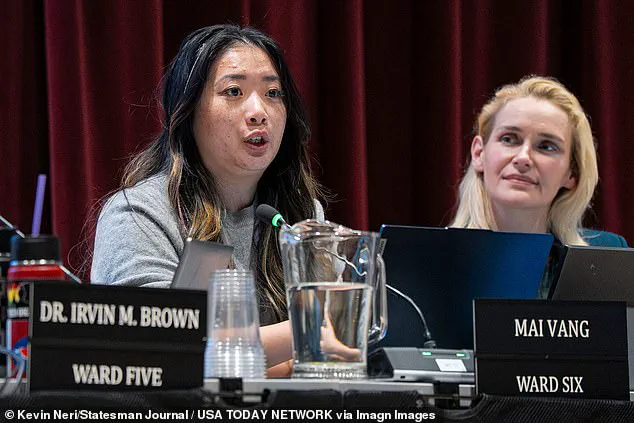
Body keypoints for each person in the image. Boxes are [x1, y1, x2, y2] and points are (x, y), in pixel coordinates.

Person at [90, 24, 326, 376]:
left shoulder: (299, 217)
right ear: (188, 111)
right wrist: (304, 334)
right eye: (233, 91)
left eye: (273, 93)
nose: (258, 111)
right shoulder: (138, 215)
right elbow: (154, 352)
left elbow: (332, 357)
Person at [451, 75, 628, 297]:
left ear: (572, 173)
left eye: (546, 146)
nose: (523, 158)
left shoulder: (608, 257)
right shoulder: (433, 261)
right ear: (479, 153)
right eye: (509, 139)